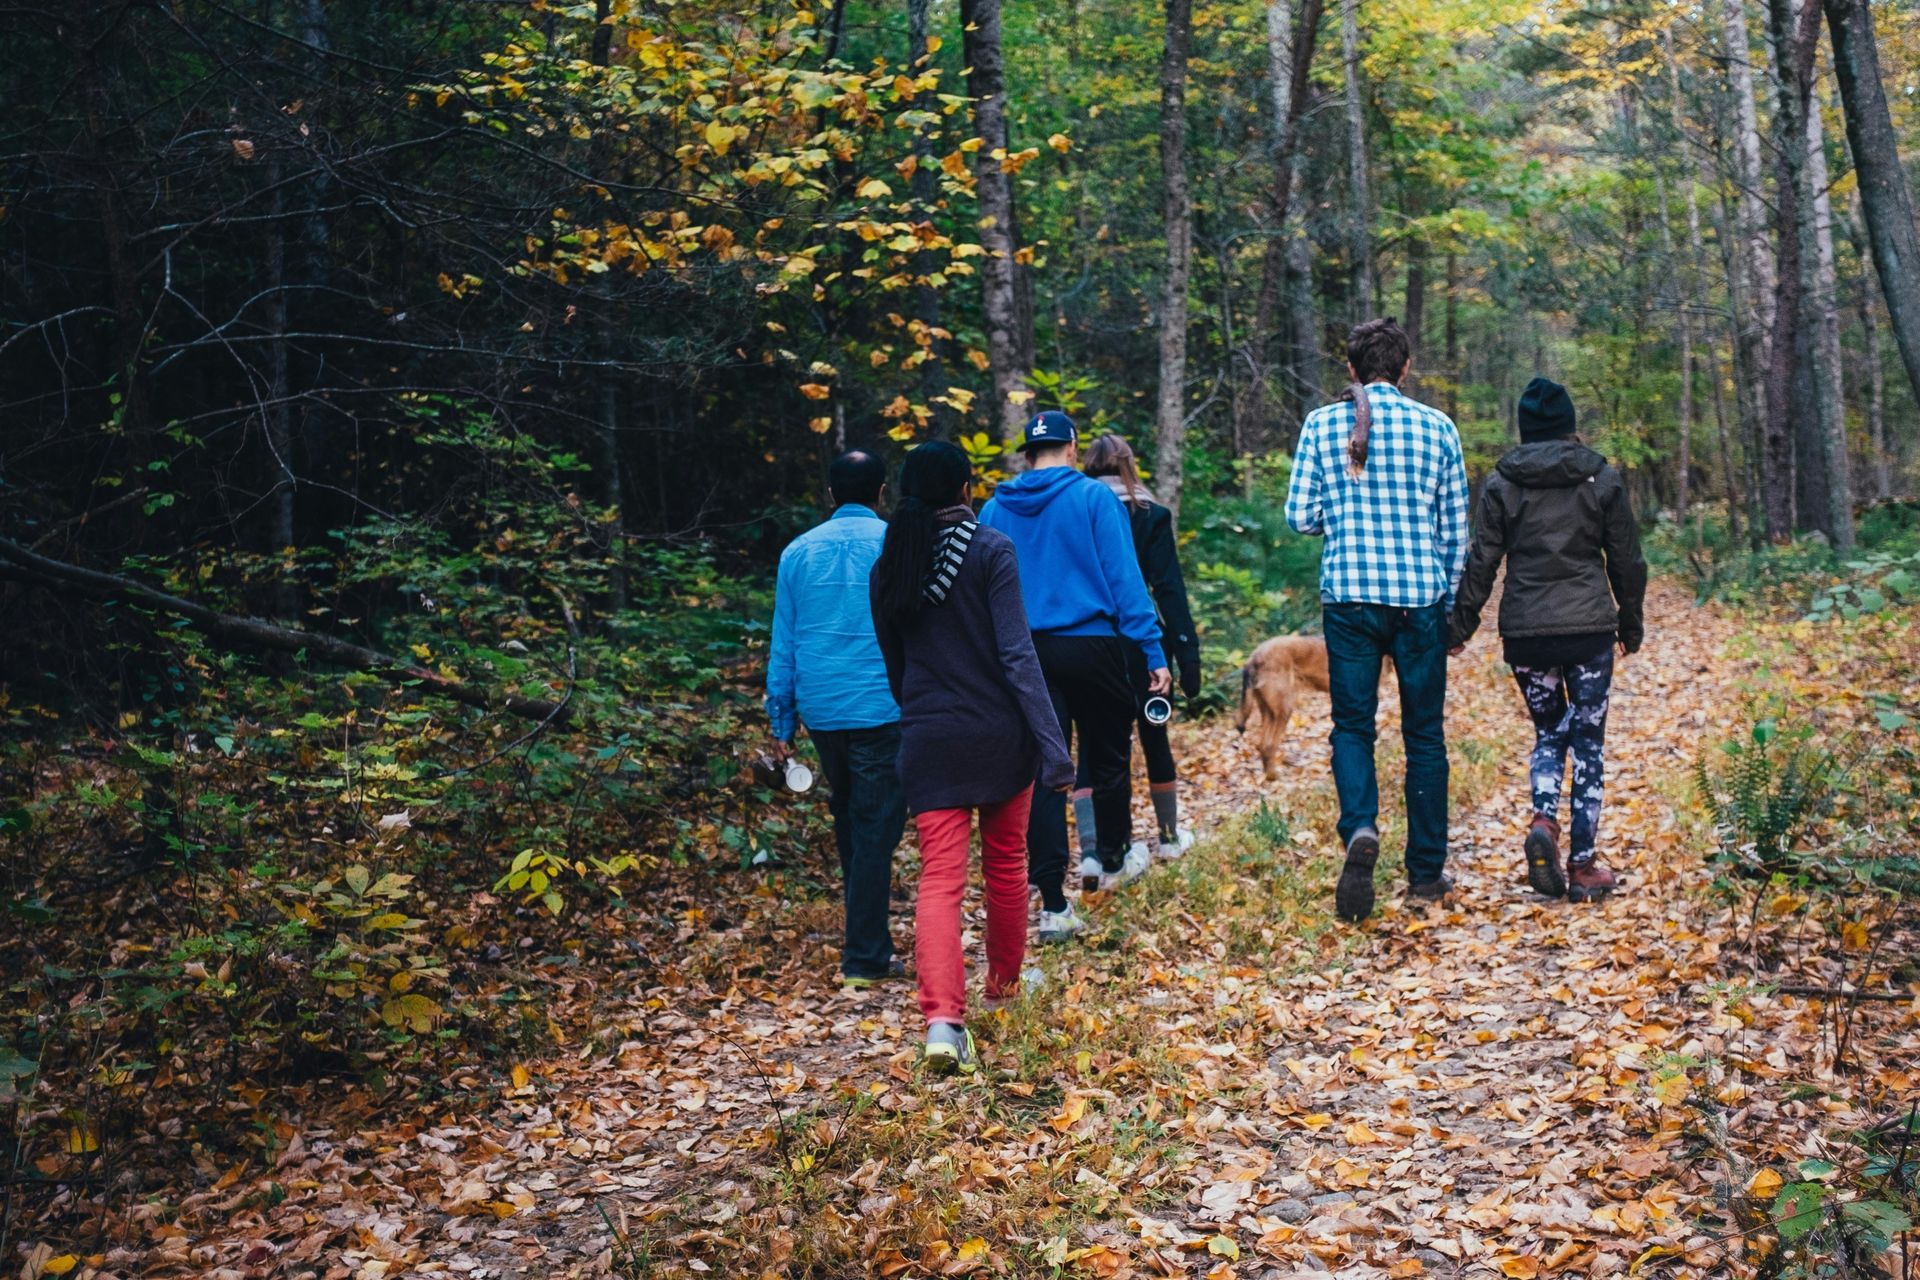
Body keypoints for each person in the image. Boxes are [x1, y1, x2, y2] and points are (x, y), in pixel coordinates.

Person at [869, 441, 1074, 1075]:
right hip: (998, 738)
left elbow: (895, 667)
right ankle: (1005, 991)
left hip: (930, 740)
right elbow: (1018, 655)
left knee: (938, 881)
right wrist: (1052, 743)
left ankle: (942, 1023)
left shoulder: (890, 565)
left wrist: (926, 713)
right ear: (965, 488)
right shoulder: (990, 550)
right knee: (1006, 866)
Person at [1284, 317, 1469, 924]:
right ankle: (1425, 874)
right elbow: (1455, 534)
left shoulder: (1321, 424)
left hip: (1350, 599)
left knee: (1353, 727)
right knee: (1424, 736)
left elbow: (1300, 517)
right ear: (1406, 367)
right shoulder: (1437, 427)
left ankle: (1361, 827)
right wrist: (1448, 608)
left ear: (1351, 370)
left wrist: (1342, 517)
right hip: (1419, 598)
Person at [1448, 376, 1647, 903]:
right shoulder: (1599, 478)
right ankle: (1582, 867)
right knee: (1588, 743)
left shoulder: (1501, 483)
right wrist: (1631, 624)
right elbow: (1626, 558)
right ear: (1569, 425)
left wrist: (1459, 625)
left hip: (1527, 634)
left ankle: (1543, 819)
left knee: (1547, 733)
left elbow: (1482, 560)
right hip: (1588, 633)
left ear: (1525, 428)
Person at [978, 411, 1170, 942]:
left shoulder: (995, 507)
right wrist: (1152, 649)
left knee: (1046, 769)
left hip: (1025, 653)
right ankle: (1109, 860)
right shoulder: (1093, 498)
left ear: (1026, 453)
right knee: (1107, 756)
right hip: (1093, 645)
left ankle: (1053, 902)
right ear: (1071, 447)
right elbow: (1125, 579)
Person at [766, 450, 907, 990]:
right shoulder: (896, 544)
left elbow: (785, 642)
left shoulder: (797, 553)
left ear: (830, 494)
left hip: (823, 709)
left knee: (851, 813)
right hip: (882, 705)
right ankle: (865, 955)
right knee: (875, 826)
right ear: (881, 492)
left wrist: (782, 721)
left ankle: (866, 934)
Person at [1079, 434, 1202, 857]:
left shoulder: (1074, 512)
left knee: (1091, 745)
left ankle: (1094, 851)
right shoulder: (1151, 515)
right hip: (1144, 642)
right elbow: (1168, 589)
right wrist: (1187, 651)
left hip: (1088, 641)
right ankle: (1168, 837)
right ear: (1129, 465)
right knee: (1154, 736)